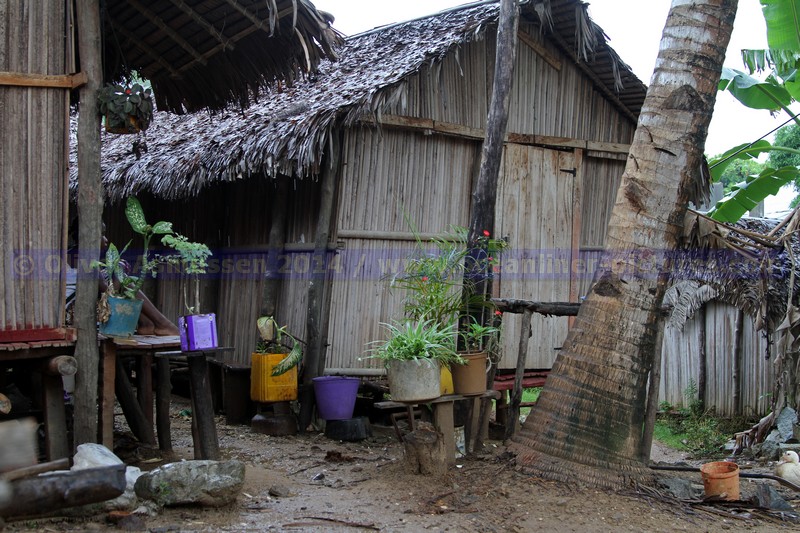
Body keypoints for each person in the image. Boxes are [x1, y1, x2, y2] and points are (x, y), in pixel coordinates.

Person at [67, 220, 179, 336]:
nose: (106, 239)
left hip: (73, 304)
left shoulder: (72, 253)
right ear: (90, 236)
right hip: (74, 310)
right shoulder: (86, 257)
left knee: (124, 280)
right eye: (102, 234)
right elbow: (109, 292)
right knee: (125, 281)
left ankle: (148, 324)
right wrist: (118, 271)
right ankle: (161, 324)